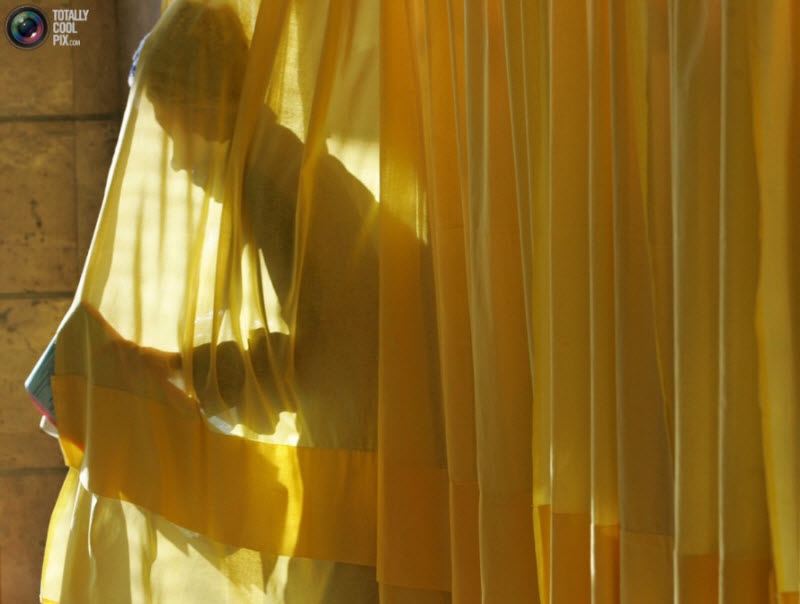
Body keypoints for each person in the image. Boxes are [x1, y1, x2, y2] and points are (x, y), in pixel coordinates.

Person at [134, 0, 380, 450]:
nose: (177, 161)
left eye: (174, 131)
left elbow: (323, 357)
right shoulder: (287, 164)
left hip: (373, 445)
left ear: (198, 107)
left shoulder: (271, 185)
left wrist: (180, 368)